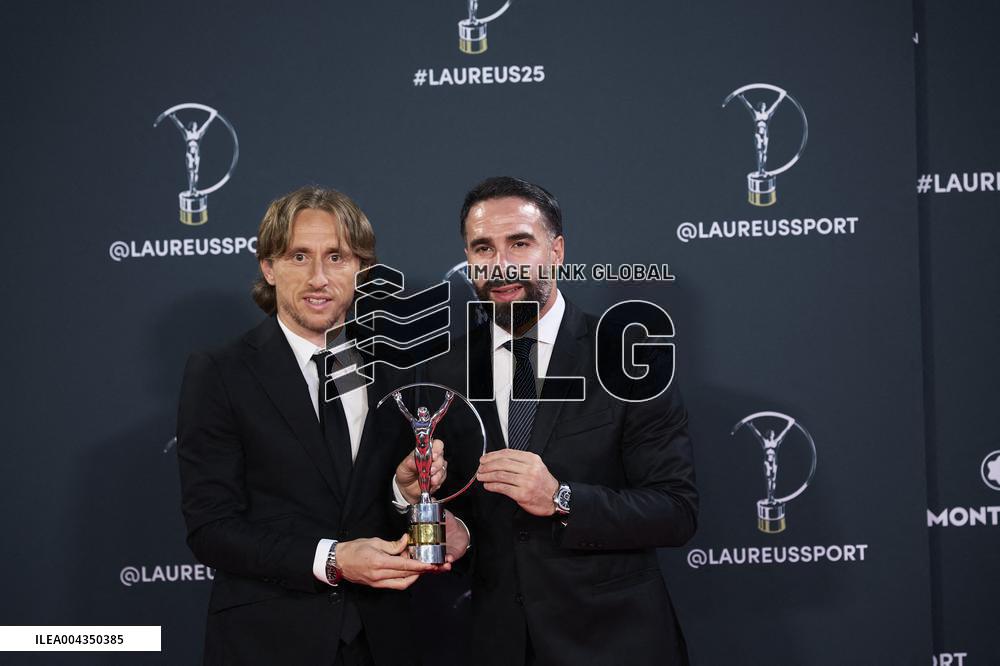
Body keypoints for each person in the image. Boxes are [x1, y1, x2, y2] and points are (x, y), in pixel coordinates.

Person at [176, 185, 467, 665]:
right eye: (298, 256)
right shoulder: (220, 372)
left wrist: (402, 491)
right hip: (268, 641)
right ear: (269, 267)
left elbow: (385, 504)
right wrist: (331, 559)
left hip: (387, 638)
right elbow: (211, 527)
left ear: (362, 270)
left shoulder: (399, 369)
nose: (318, 278)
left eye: (336, 257)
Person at [422, 176, 698, 665]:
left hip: (615, 643)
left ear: (557, 250)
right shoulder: (443, 373)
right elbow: (445, 500)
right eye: (483, 247)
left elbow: (676, 509)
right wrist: (444, 524)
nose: (502, 263)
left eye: (520, 242)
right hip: (492, 643)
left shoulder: (627, 357)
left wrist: (561, 499)